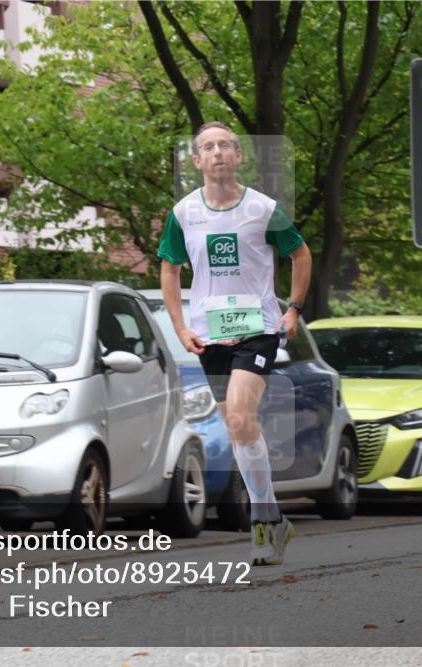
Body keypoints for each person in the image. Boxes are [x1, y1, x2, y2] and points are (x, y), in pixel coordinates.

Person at [158, 122, 312, 565]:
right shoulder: (184, 213)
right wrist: (181, 325)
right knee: (239, 429)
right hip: (211, 335)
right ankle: (274, 517)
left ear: (239, 155)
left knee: (244, 416)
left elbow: (300, 254)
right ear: (197, 161)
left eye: (226, 144)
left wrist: (294, 309)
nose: (218, 152)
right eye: (208, 147)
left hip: (258, 328)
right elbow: (170, 268)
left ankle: (263, 520)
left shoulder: (263, 209)